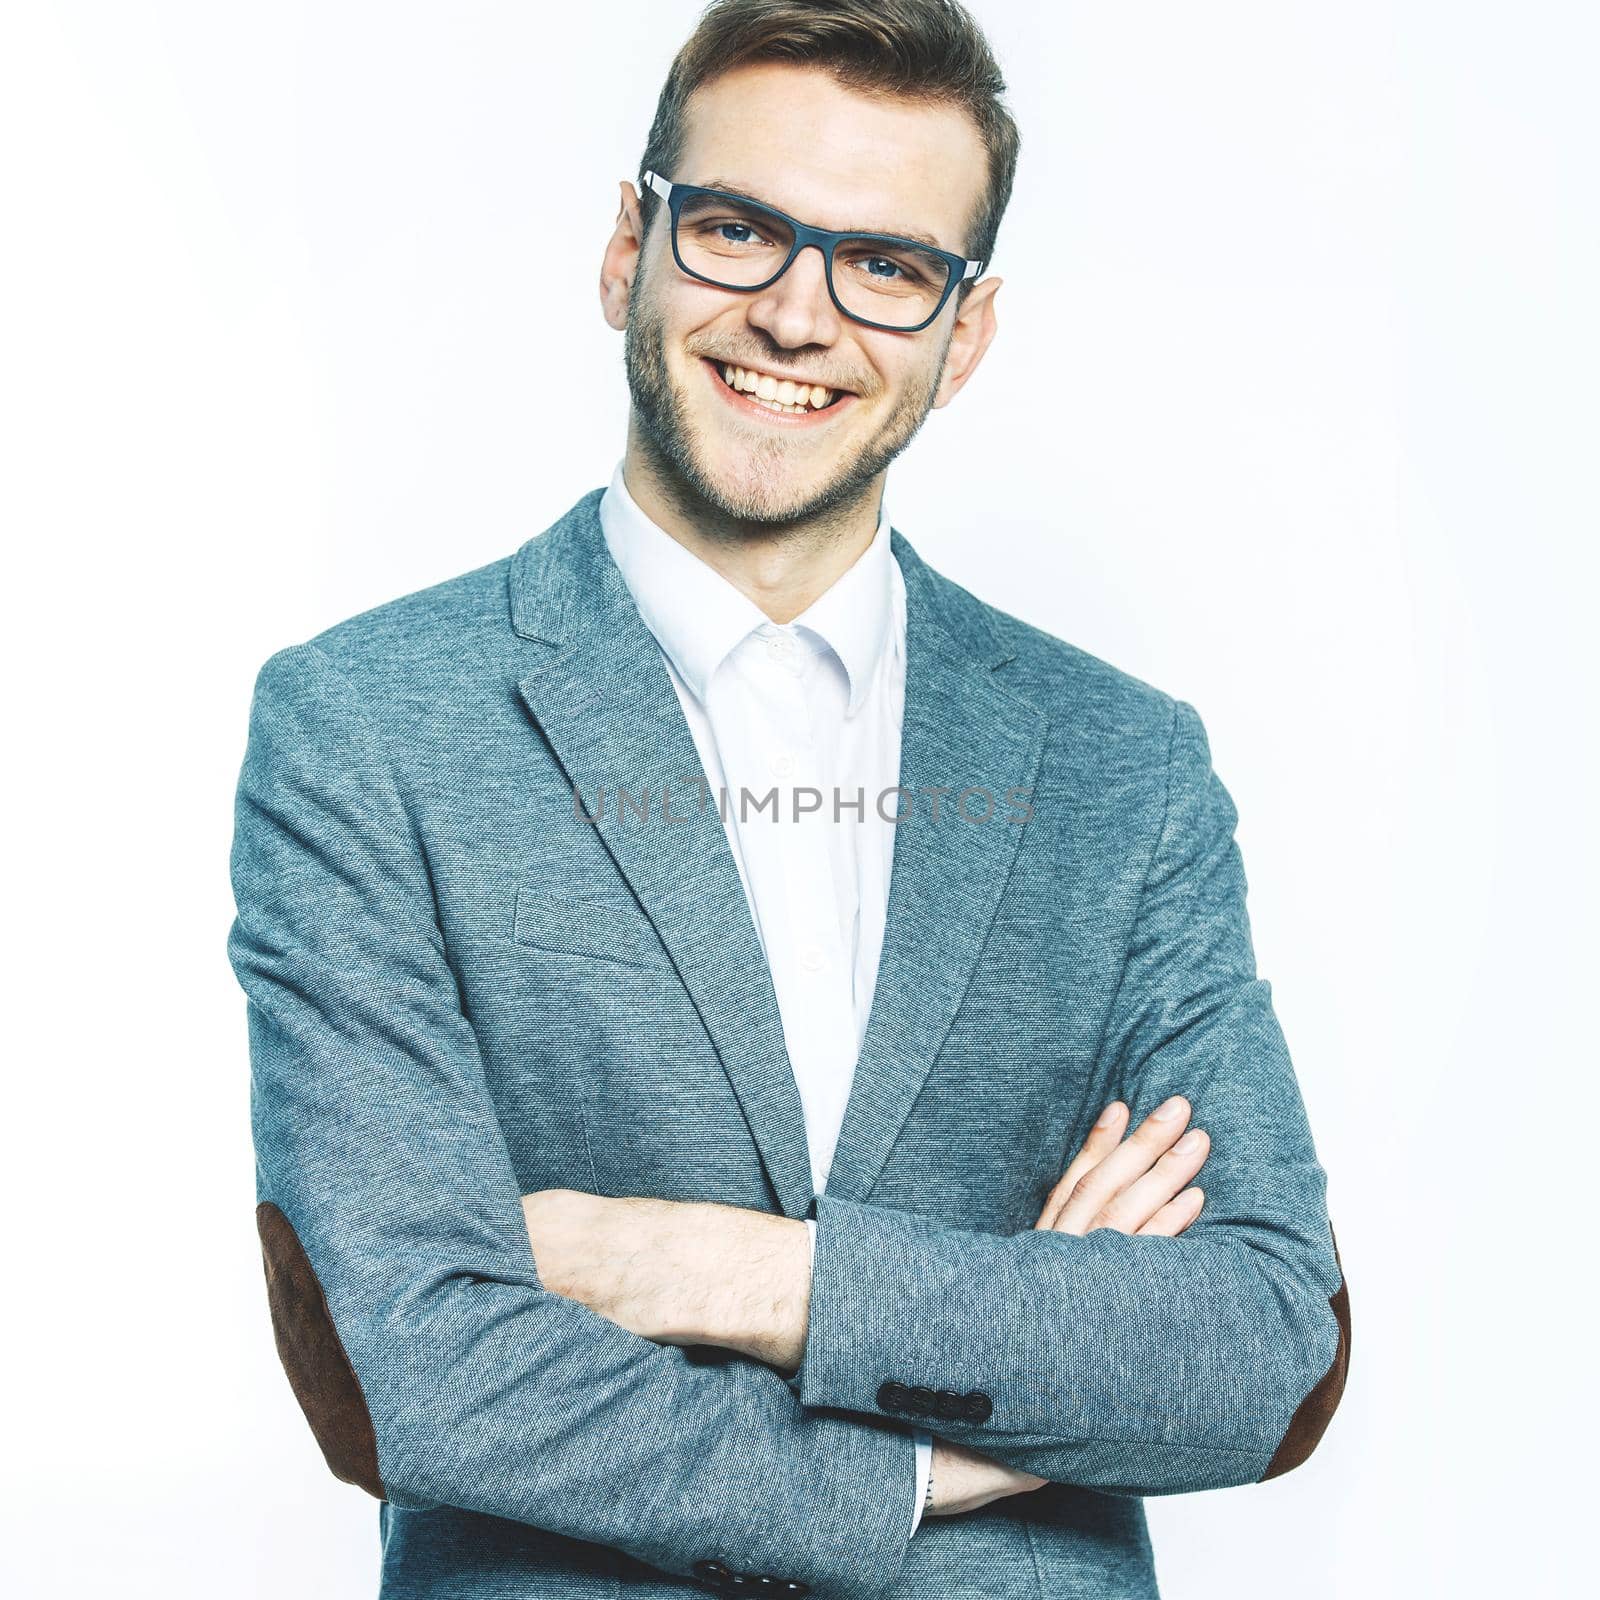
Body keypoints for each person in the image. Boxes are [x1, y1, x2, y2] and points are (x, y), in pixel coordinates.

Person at [227, 2, 1350, 1595]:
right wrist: (986, 1424)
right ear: (631, 248)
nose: (797, 317)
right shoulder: (367, 728)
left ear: (963, 335)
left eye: (887, 265)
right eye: (740, 231)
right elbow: (413, 1363)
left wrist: (721, 1272)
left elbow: (1260, 1344)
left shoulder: (1126, 766)